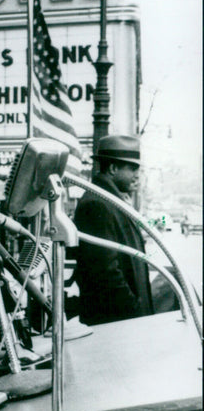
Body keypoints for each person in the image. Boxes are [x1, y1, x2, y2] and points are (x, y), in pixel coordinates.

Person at [73, 135, 154, 325]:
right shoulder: (96, 205)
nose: (137, 176)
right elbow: (105, 272)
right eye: (132, 168)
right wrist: (134, 310)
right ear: (113, 168)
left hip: (123, 322)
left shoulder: (111, 202)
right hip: (116, 323)